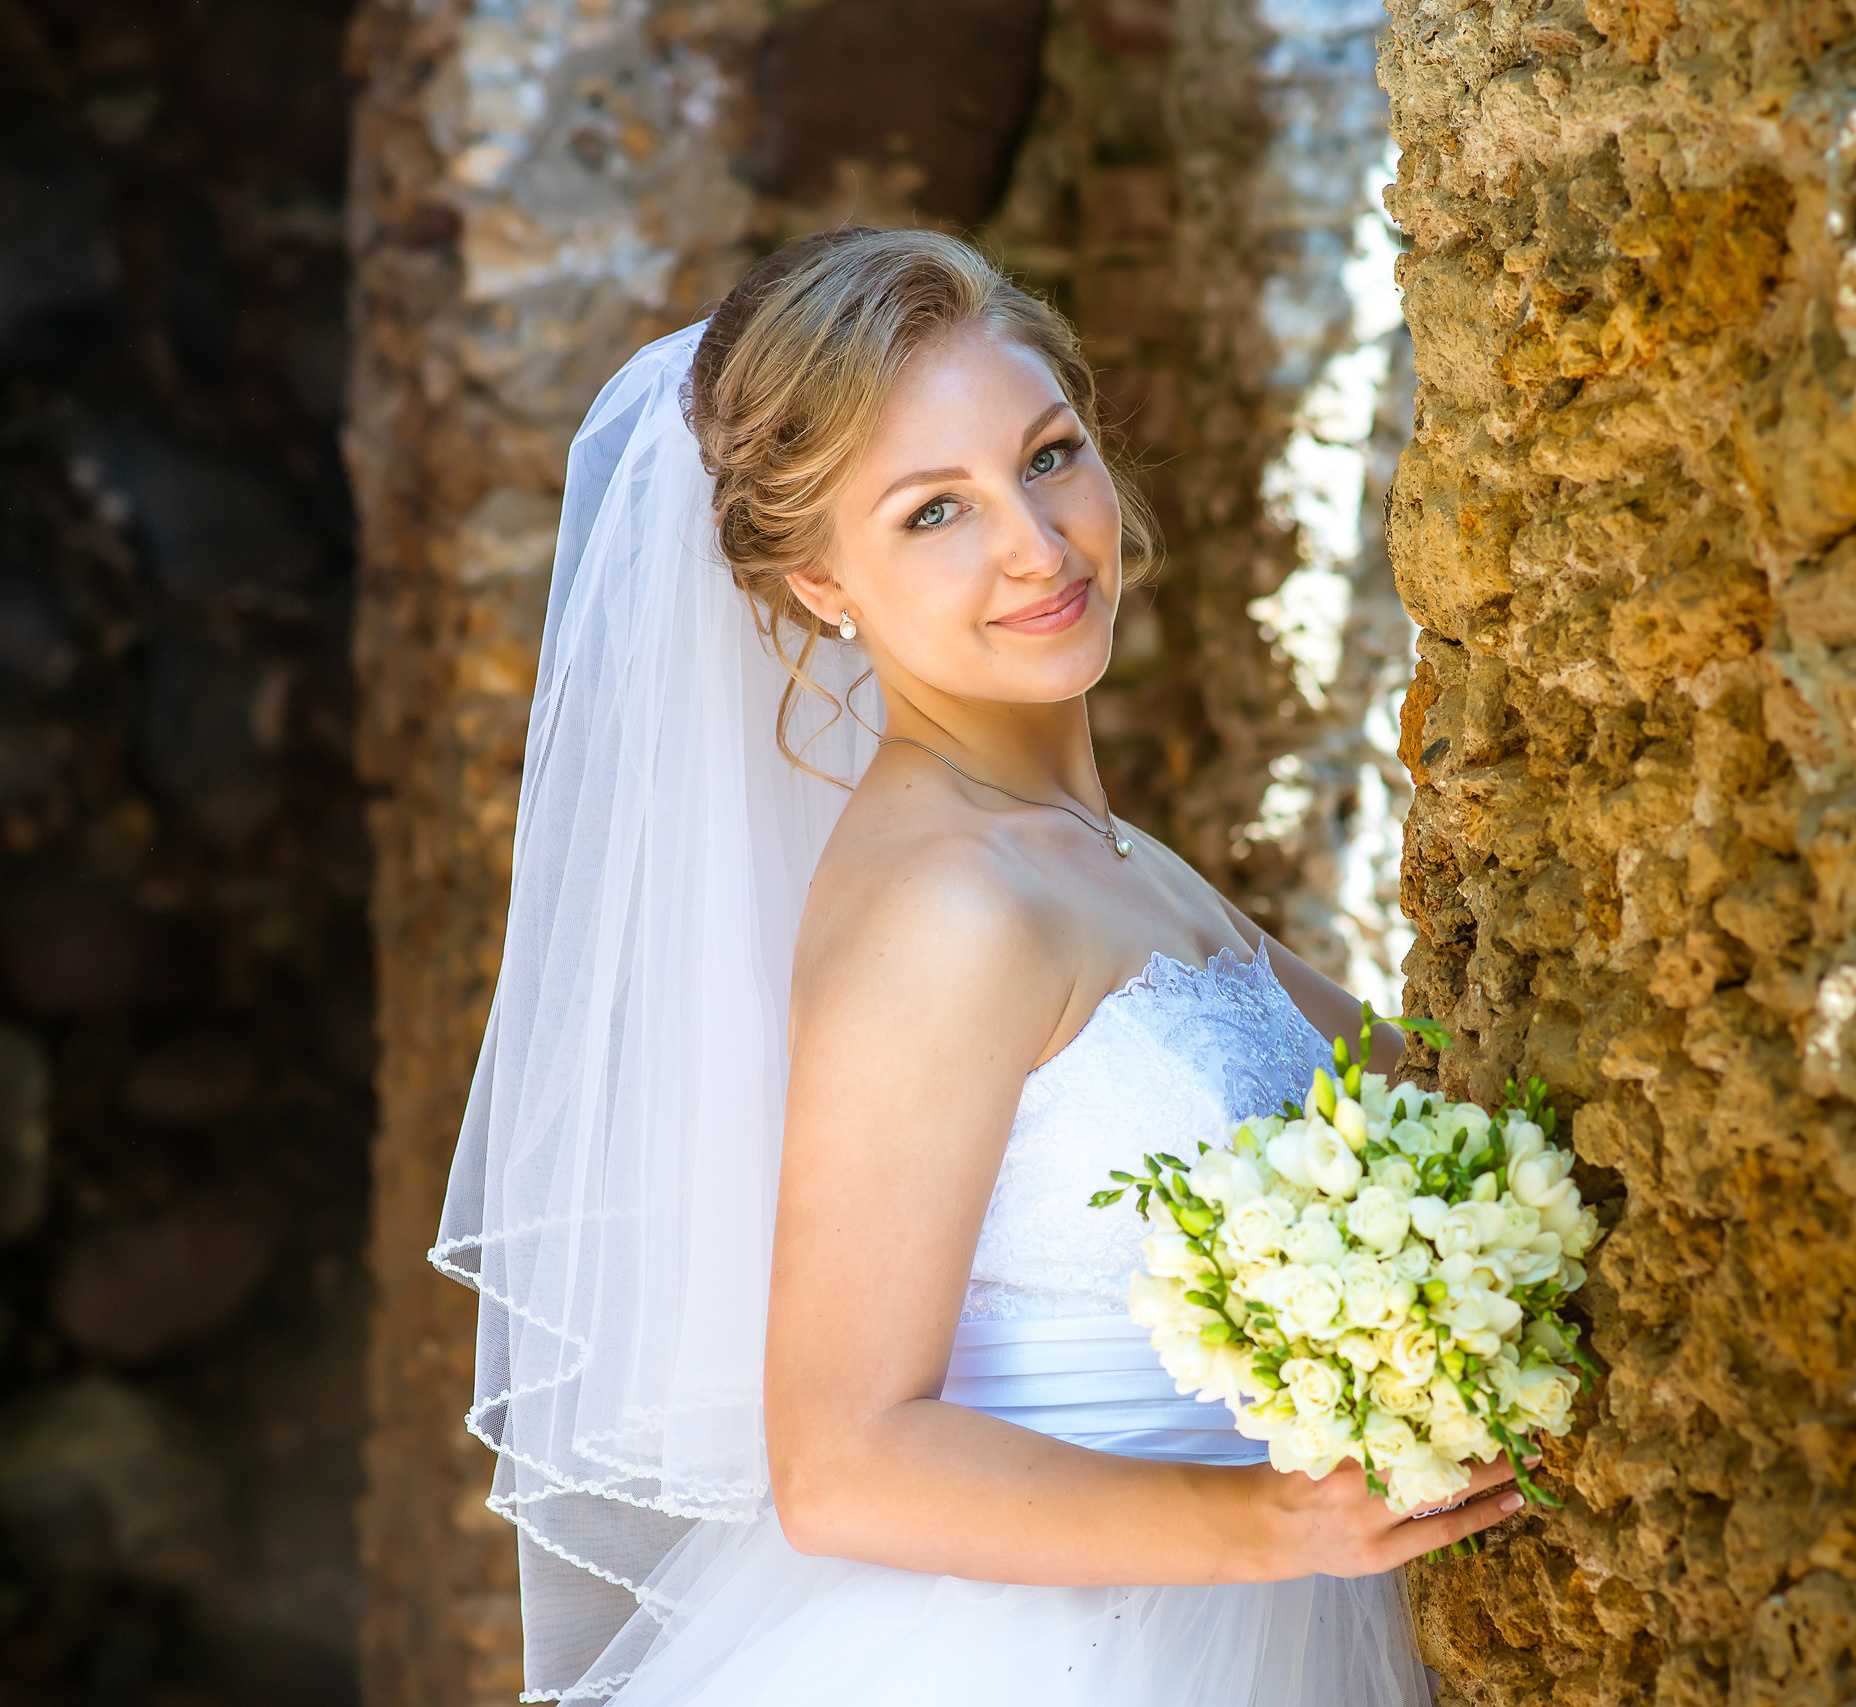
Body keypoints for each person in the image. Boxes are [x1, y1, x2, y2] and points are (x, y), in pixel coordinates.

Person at [431, 228, 1521, 1704]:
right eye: (935, 510)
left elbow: (1419, 1099)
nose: (1036, 542)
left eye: (1049, 456)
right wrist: (1275, 1521)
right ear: (821, 581)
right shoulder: (947, 904)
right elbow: (844, 1463)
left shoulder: (1099, 851)